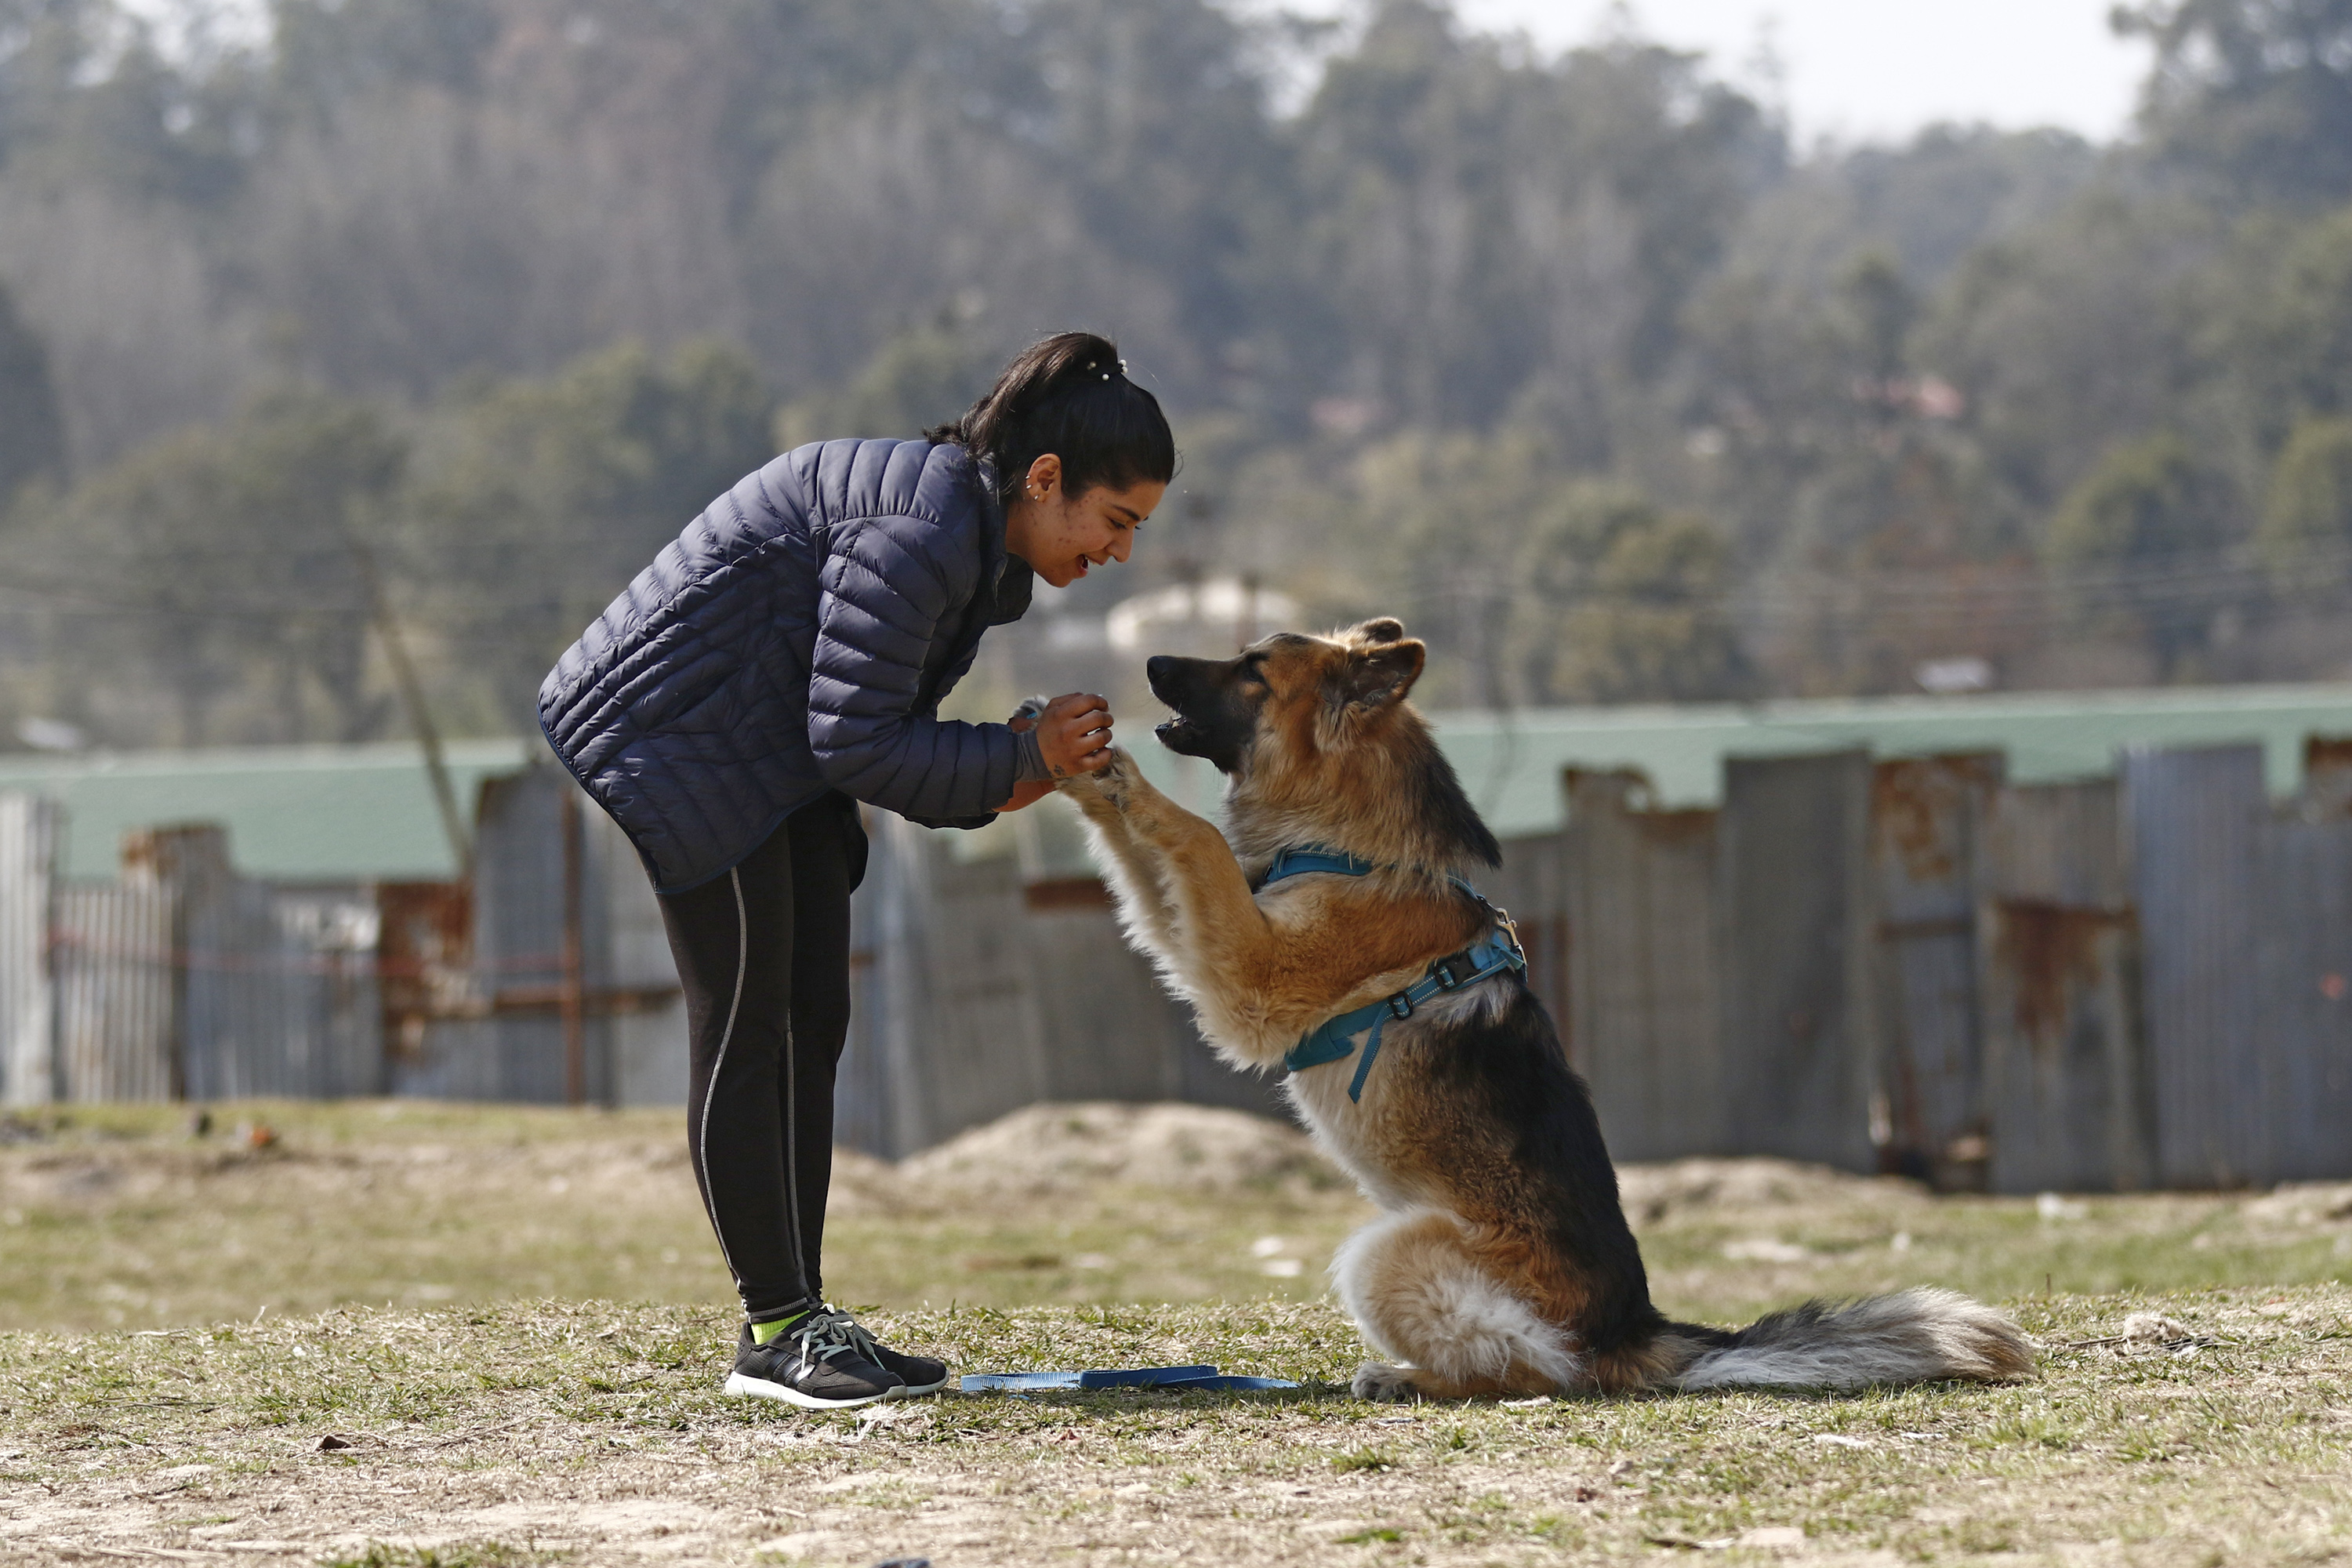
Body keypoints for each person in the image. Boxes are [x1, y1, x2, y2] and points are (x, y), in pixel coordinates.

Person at [539, 331, 1174, 1407]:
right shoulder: (924, 531)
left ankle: (805, 1321)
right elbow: (860, 743)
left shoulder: (973, 544)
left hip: (767, 742)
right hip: (677, 737)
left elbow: (876, 724)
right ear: (1048, 478)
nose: (1120, 553)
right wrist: (1023, 760)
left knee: (812, 1019)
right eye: (1116, 522)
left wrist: (1015, 766)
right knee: (746, 1024)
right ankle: (778, 1331)